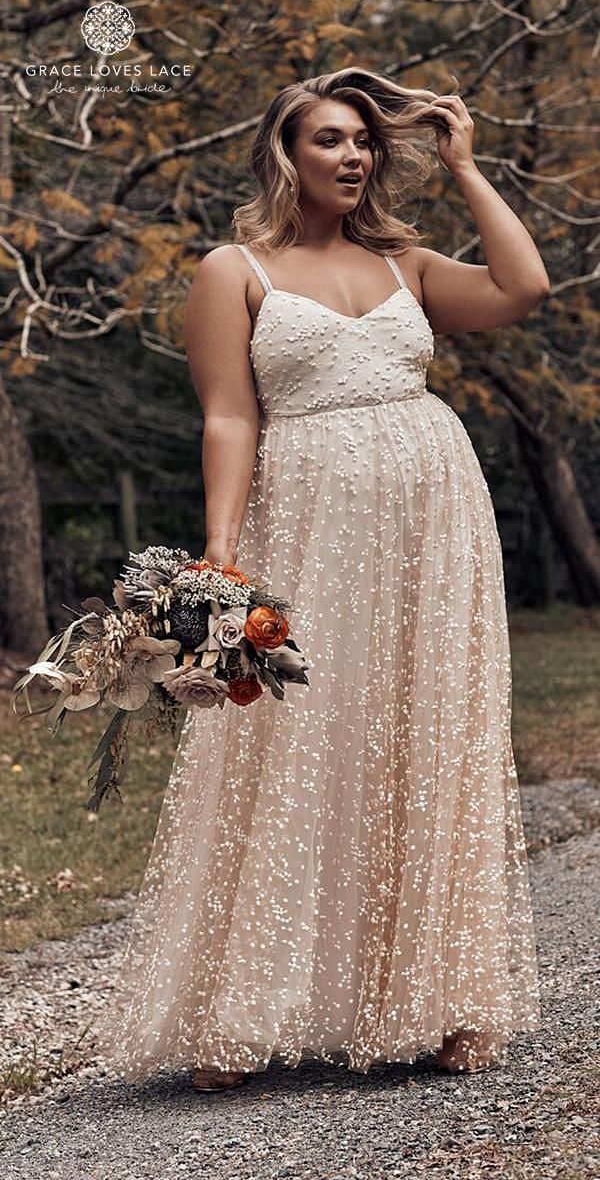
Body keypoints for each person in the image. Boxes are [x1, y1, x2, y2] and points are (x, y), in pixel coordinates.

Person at [95, 67, 549, 1092]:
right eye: (330, 141)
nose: (352, 156)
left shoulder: (407, 263)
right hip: (304, 515)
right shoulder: (232, 268)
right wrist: (221, 550)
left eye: (362, 142)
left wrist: (468, 169)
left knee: (431, 732)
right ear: (285, 155)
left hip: (435, 519)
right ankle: (240, 1013)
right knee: (284, 739)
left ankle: (449, 1000)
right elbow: (228, 414)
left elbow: (524, 290)